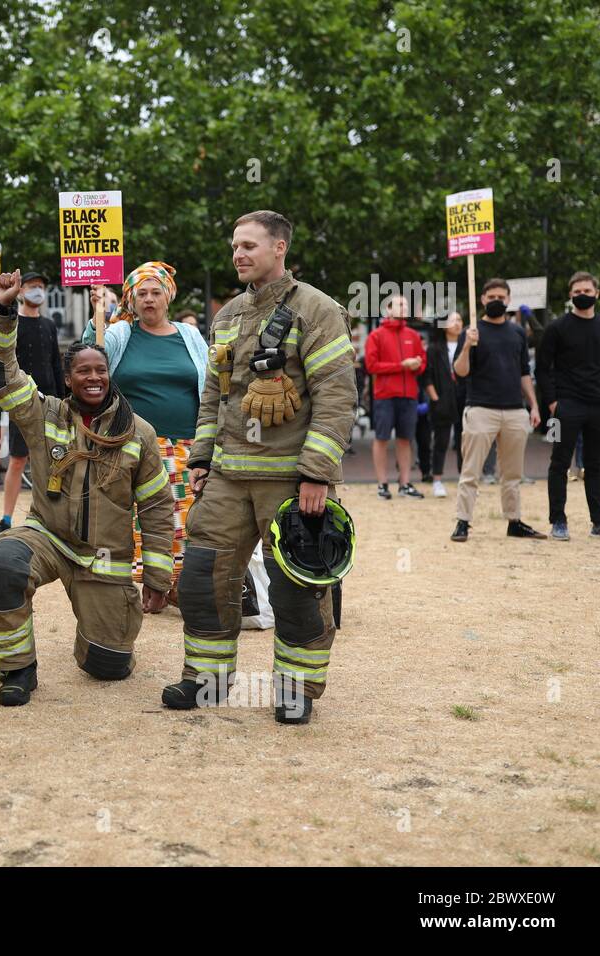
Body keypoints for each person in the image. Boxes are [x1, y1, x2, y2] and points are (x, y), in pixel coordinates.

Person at [164, 210, 357, 725]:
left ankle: (298, 691)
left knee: (295, 589)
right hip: (227, 477)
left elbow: (336, 398)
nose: (239, 254)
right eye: (234, 246)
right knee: (203, 580)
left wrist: (317, 473)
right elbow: (212, 397)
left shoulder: (317, 311)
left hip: (291, 480)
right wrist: (201, 461)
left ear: (280, 249)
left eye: (249, 245)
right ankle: (206, 680)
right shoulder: (227, 315)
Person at [0, 269, 179, 706]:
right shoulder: (42, 415)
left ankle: (98, 637)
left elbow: (159, 508)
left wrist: (159, 576)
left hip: (105, 561)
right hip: (48, 538)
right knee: (3, 564)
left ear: (110, 375)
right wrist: (2, 310)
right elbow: (0, 371)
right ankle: (18, 670)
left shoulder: (138, 433)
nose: (93, 378)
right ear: (67, 379)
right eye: (83, 371)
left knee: (107, 668)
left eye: (100, 370)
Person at [82, 262, 208, 598]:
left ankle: (179, 583)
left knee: (182, 516)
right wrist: (98, 310)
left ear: (168, 296)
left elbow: (209, 383)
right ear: (131, 301)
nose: (149, 299)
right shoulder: (122, 333)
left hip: (185, 443)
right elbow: (90, 353)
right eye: (141, 294)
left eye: (155, 292)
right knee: (141, 516)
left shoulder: (190, 334)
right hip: (134, 445)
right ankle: (149, 582)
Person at [451, 278, 546, 542]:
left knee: (513, 472)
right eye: (491, 297)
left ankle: (514, 521)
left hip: (515, 410)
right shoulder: (471, 331)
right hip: (480, 409)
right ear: (482, 299)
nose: (496, 301)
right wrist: (468, 344)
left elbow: (524, 373)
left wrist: (533, 405)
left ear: (508, 300)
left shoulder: (517, 333)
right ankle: (463, 522)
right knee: (471, 471)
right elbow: (460, 372)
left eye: (501, 297)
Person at [0, 270, 64, 538]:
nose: (38, 290)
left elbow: (55, 362)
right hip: (21, 403)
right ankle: (6, 518)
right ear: (21, 290)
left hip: (50, 401)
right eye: (33, 285)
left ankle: (50, 517)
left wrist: (62, 399)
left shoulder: (50, 325)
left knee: (54, 461)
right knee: (18, 460)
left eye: (42, 286)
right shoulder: (12, 322)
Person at [537, 271, 600, 540]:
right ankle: (558, 520)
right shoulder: (556, 328)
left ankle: (599, 520)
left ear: (597, 294)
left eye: (587, 291)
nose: (582, 296)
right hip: (566, 406)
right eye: (577, 292)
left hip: (599, 406)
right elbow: (542, 369)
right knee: (559, 463)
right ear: (570, 295)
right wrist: (553, 402)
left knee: (595, 465)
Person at [364, 295, 426, 499]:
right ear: (388, 310)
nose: (404, 308)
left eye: (406, 305)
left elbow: (422, 362)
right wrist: (402, 366)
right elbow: (371, 366)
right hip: (385, 396)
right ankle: (382, 484)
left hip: (409, 395)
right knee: (381, 439)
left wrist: (417, 364)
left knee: (405, 440)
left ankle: (405, 484)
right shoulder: (376, 335)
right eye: (400, 305)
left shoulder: (413, 335)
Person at [421, 311, 463, 496]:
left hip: (464, 398)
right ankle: (437, 479)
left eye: (460, 320)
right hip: (442, 400)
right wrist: (435, 398)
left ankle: (465, 480)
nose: (457, 324)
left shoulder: (467, 345)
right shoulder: (435, 348)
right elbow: (427, 376)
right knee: (441, 441)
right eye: (452, 320)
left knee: (465, 442)